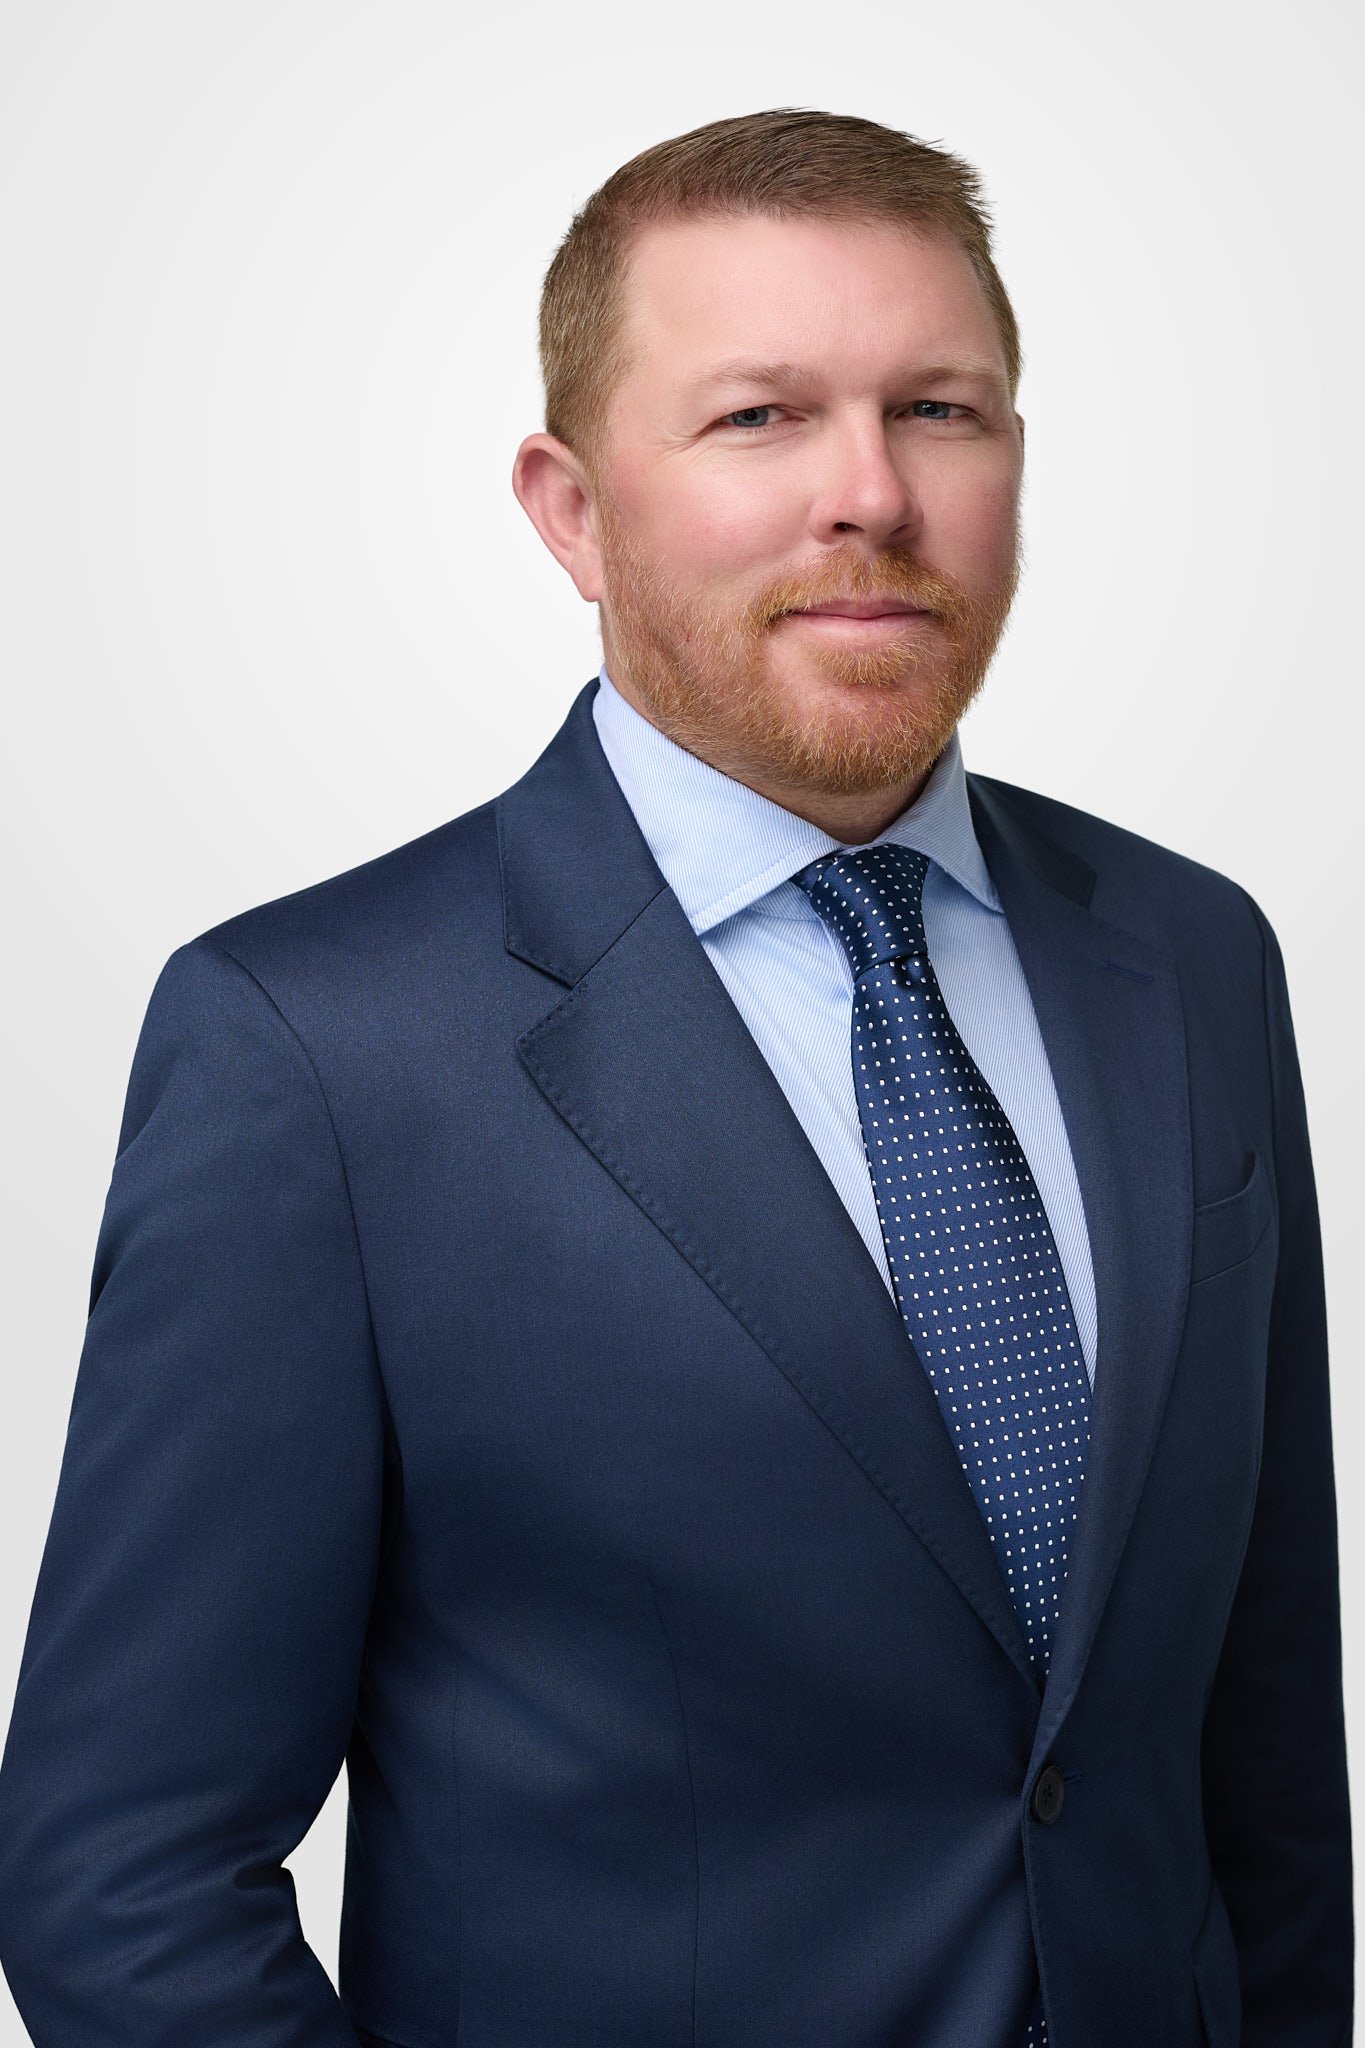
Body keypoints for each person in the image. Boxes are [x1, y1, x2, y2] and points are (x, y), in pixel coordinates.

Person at [0, 105, 1350, 2048]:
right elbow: (119, 1872)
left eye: (940, 410)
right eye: (756, 418)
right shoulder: (317, 1045)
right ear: (568, 508)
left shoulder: (1191, 958)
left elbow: (1256, 1753)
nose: (868, 493)